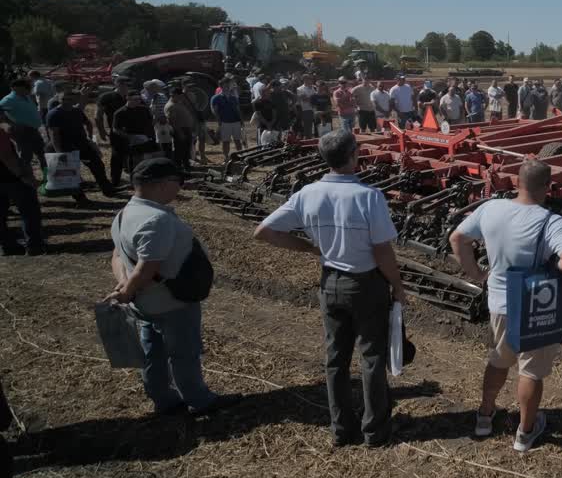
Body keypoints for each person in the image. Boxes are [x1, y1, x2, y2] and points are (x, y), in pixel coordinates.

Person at [255, 131, 407, 447]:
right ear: (353, 156)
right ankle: (375, 432)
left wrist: (312, 249)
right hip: (365, 285)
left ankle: (341, 429)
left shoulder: (307, 194)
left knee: (336, 358)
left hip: (330, 282)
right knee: (372, 357)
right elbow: (382, 252)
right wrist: (397, 285)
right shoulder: (368, 196)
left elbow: (264, 231)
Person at [449, 160, 562, 452]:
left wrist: (476, 274)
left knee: (498, 360)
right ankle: (525, 432)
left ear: (517, 182)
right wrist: (558, 266)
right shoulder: (550, 221)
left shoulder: (491, 208)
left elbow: (457, 238)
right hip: (534, 306)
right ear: (547, 187)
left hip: (499, 302)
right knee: (531, 371)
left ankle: (485, 416)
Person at [105, 158, 231, 415]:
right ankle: (199, 400)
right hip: (171, 301)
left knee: (153, 351)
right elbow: (147, 267)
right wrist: (128, 288)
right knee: (184, 353)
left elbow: (117, 256)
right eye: (177, 182)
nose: (180, 188)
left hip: (145, 303)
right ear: (160, 185)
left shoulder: (124, 214)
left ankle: (163, 398)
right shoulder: (155, 220)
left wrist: (124, 284)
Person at [46, 91, 113, 200]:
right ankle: (80, 198)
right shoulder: (54, 114)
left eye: (69, 99)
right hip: (64, 145)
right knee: (70, 172)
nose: (67, 101)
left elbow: (88, 123)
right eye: (64, 99)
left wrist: (90, 138)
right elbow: (54, 134)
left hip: (81, 143)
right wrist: (59, 151)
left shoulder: (76, 111)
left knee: (97, 165)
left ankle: (108, 190)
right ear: (59, 100)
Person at [0, 109, 43, 256]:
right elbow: (6, 156)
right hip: (11, 178)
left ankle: (8, 246)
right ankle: (34, 245)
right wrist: (23, 176)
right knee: (29, 211)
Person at [0, 79, 47, 184]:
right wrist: (9, 124)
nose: (30, 90)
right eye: (27, 88)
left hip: (34, 130)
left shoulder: (26, 97)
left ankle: (47, 177)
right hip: (21, 131)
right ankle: (28, 180)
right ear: (18, 88)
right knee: (26, 156)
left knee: (42, 153)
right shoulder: (9, 99)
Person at [110, 90, 155, 185]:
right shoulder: (120, 112)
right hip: (128, 141)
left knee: (146, 161)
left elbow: (150, 122)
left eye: (139, 99)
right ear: (128, 98)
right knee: (132, 162)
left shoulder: (144, 109)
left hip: (145, 139)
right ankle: (133, 181)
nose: (137, 101)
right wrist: (130, 137)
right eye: (135, 99)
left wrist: (150, 135)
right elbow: (115, 129)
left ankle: (145, 178)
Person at [164, 85, 197, 172]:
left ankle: (186, 165)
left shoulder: (178, 103)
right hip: (180, 130)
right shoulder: (171, 106)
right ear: (174, 95)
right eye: (180, 96)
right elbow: (173, 122)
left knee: (186, 149)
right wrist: (180, 133)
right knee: (179, 150)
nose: (181, 97)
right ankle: (178, 168)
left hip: (186, 129)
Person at [208, 79, 244, 158]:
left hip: (236, 121)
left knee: (237, 140)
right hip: (225, 122)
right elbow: (215, 111)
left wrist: (241, 120)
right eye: (226, 84)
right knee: (226, 141)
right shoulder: (216, 98)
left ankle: (240, 156)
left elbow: (238, 110)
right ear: (221, 86)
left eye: (228, 84)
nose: (228, 86)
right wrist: (219, 121)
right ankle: (226, 157)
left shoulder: (234, 98)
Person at [252, 81, 277, 145]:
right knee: (261, 142)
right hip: (262, 125)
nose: (269, 93)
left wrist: (271, 123)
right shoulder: (257, 103)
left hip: (271, 124)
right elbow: (259, 114)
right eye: (267, 92)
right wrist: (267, 124)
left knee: (271, 142)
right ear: (263, 93)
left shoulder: (271, 102)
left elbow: (274, 113)